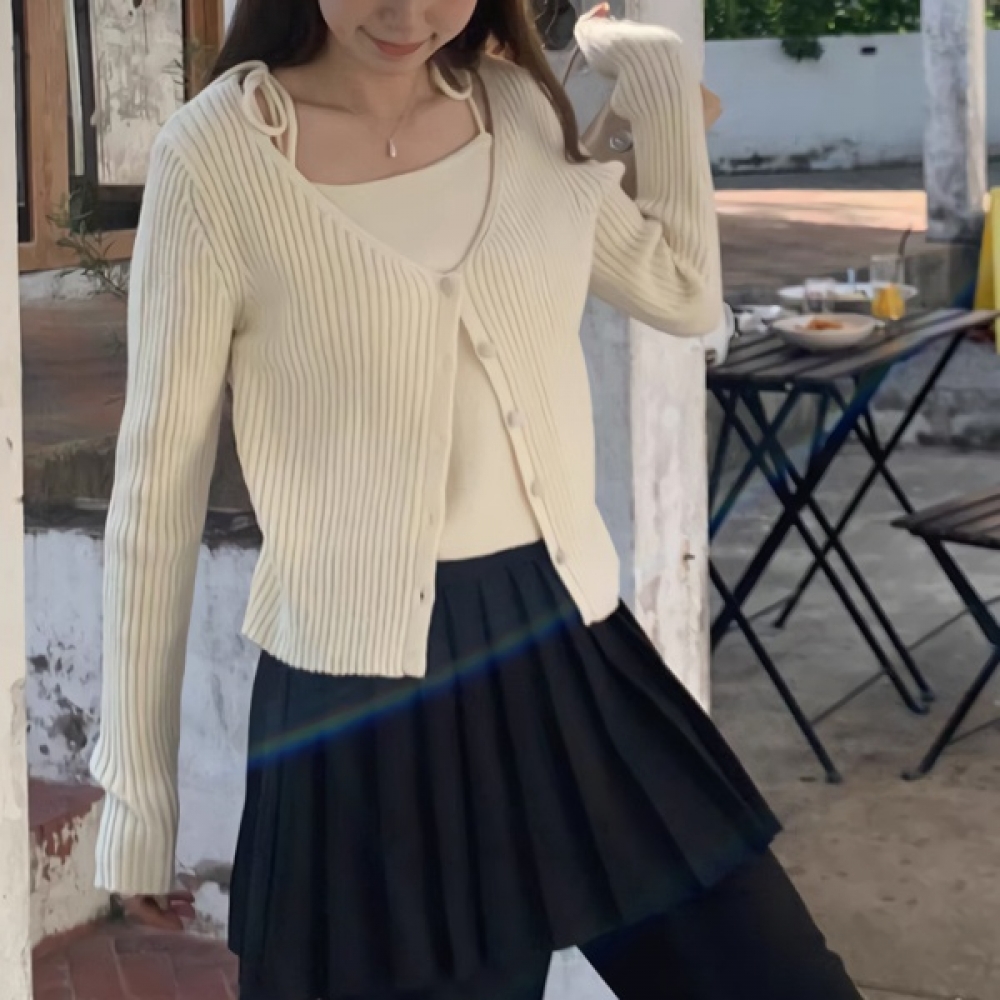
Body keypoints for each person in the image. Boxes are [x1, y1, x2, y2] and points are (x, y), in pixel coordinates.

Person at [89, 0, 863, 997]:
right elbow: (157, 494)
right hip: (361, 711)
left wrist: (651, 68)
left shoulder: (519, 111)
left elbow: (681, 289)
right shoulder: (217, 158)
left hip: (569, 657)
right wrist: (139, 803)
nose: (407, 13)